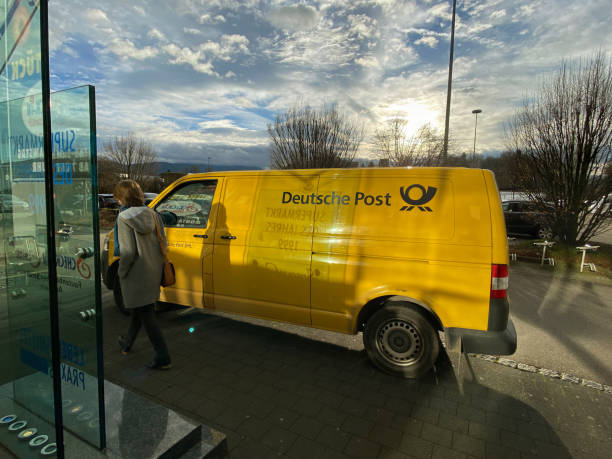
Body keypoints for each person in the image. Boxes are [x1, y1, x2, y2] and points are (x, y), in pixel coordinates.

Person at [113, 180, 172, 370]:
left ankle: (163, 356)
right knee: (141, 309)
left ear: (122, 197)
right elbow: (164, 242)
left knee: (146, 314)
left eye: (117, 197)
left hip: (135, 274)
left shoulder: (123, 219)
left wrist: (121, 272)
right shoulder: (154, 214)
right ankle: (127, 342)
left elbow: (128, 252)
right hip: (153, 271)